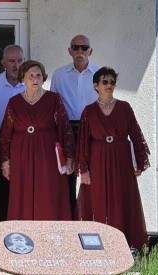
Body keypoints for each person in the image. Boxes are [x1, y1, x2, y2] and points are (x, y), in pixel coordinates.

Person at [76, 67, 150, 250]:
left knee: (122, 198)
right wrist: (83, 169)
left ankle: (126, 245)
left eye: (112, 82)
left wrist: (139, 162)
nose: (109, 85)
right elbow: (83, 141)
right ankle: (97, 245)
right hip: (97, 159)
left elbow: (135, 134)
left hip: (121, 160)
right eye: (105, 82)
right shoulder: (89, 111)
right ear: (96, 86)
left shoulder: (124, 107)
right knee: (97, 198)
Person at [0, 61, 74, 221]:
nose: (35, 79)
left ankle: (50, 237)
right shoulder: (14, 102)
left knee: (48, 191)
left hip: (47, 153)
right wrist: (5, 162)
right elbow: (6, 133)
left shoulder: (53, 99)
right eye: (30, 76)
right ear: (23, 79)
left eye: (38, 75)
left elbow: (65, 128)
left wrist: (69, 157)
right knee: (22, 193)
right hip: (21, 154)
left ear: (43, 78)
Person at [50, 35, 100, 217]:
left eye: (84, 47)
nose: (80, 51)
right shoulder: (59, 74)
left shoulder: (99, 74)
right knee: (67, 176)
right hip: (67, 128)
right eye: (76, 47)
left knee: (92, 174)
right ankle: (69, 218)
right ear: (69, 50)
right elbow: (53, 104)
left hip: (92, 129)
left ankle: (91, 216)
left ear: (90, 51)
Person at [0, 44, 25, 222]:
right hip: (0, 138)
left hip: (25, 141)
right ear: (3, 63)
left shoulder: (31, 83)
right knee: (0, 188)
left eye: (20, 60)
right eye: (11, 61)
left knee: (22, 187)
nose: (16, 65)